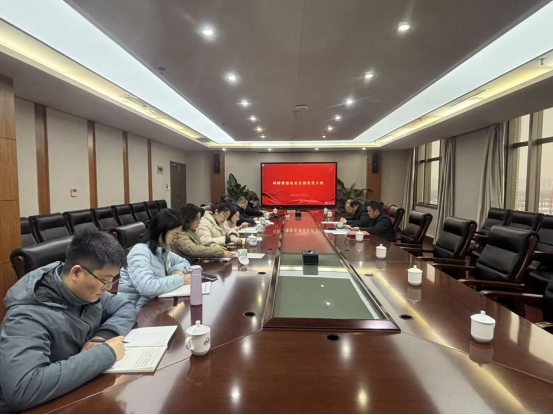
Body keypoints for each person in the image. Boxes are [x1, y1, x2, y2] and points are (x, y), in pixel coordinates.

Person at [0, 231, 137, 414]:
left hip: (75, 391)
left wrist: (104, 335)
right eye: (105, 281)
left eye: (112, 281)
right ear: (76, 272)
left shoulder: (85, 292)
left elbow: (126, 306)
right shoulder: (26, 316)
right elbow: (23, 389)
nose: (109, 288)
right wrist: (106, 353)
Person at [118, 209, 191, 310]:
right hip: (134, 311)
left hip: (154, 305)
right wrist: (181, 279)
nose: (176, 239)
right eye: (175, 234)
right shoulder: (139, 252)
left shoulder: (163, 250)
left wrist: (174, 270)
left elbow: (184, 262)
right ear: (160, 231)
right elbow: (148, 288)